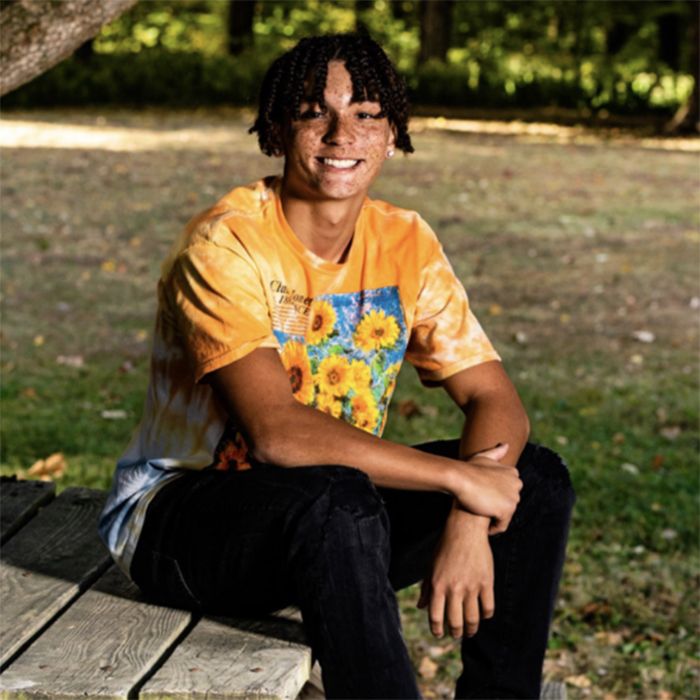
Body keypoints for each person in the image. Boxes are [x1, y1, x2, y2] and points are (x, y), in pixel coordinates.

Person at [98, 33, 575, 700]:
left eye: (366, 113)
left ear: (392, 134)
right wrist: (458, 479)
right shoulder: (226, 243)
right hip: (182, 522)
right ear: (275, 129)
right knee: (336, 498)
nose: (339, 132)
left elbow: (495, 398)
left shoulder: (405, 241)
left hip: (330, 516)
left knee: (539, 479)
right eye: (312, 111)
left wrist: (472, 510)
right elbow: (275, 433)